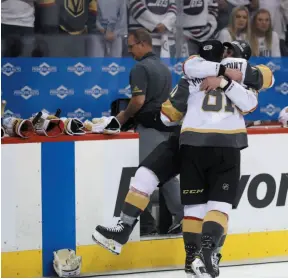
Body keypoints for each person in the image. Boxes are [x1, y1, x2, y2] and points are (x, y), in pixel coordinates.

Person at [91, 40, 274, 266]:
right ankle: (207, 253)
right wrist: (229, 77)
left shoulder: (196, 71)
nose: (225, 54)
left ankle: (129, 229)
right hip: (218, 144)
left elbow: (169, 115)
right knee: (213, 205)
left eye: (229, 51)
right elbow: (265, 80)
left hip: (187, 140)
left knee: (168, 188)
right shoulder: (247, 78)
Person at [110, 28, 184, 236]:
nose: (130, 51)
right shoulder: (164, 68)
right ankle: (159, 220)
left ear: (143, 43)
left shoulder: (140, 69)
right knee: (163, 174)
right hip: (164, 126)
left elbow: (138, 101)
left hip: (149, 128)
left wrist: (121, 118)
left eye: (131, 46)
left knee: (155, 174)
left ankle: (178, 218)